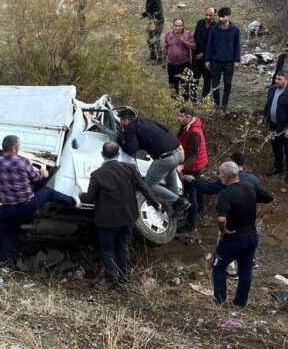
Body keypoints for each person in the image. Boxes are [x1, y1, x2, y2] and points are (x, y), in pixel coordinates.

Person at [82, 142, 161, 289]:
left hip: (107, 221)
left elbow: (88, 198)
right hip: (128, 217)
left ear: (102, 154)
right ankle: (124, 280)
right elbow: (144, 188)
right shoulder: (130, 168)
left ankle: (110, 279)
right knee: (123, 247)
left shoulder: (97, 175)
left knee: (108, 249)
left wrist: (80, 194)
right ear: (118, 155)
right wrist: (156, 203)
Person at [0, 135, 77, 269]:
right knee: (48, 192)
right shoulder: (23, 162)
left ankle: (4, 263)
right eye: (18, 147)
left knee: (7, 234)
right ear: (14, 148)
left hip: (7, 209)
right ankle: (73, 201)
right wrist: (43, 172)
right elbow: (36, 178)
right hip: (26, 206)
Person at [212, 161, 274, 307]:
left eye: (220, 173)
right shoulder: (250, 186)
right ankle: (240, 303)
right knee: (245, 269)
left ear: (226, 176)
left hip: (233, 238)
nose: (219, 175)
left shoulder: (225, 194)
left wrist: (223, 231)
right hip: (251, 235)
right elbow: (270, 199)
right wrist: (259, 216)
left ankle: (220, 300)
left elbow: (221, 218)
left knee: (219, 266)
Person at [117, 109, 190, 218]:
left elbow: (132, 148)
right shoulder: (145, 121)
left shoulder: (130, 128)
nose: (120, 124)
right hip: (179, 151)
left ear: (126, 120)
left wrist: (120, 140)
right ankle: (176, 206)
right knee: (170, 178)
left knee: (149, 185)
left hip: (166, 157)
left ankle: (180, 202)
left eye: (121, 121)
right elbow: (165, 129)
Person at [176, 108, 208, 233]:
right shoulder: (187, 126)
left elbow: (194, 155)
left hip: (193, 166)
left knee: (191, 193)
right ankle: (200, 207)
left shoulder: (193, 132)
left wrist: (182, 166)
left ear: (189, 117)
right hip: (198, 164)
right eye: (178, 115)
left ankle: (191, 225)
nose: (179, 118)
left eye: (182, 116)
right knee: (197, 187)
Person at [205, 7, 241, 111]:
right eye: (220, 17)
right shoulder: (214, 29)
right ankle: (216, 105)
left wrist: (236, 60)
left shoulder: (235, 30)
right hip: (215, 61)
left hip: (229, 62)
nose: (221, 19)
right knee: (215, 84)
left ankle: (224, 105)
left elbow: (237, 46)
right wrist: (207, 59)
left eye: (223, 17)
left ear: (228, 16)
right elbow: (209, 45)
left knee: (228, 84)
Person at [259, 70, 288, 179]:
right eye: (276, 78)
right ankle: (278, 166)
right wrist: (263, 117)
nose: (276, 81)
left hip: (285, 127)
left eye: (279, 79)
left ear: (286, 80)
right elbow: (268, 104)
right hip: (273, 124)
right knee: (276, 147)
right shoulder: (272, 89)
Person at [163, 18, 195, 100]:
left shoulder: (188, 34)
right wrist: (164, 61)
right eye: (176, 26)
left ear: (183, 26)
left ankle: (185, 105)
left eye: (179, 26)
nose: (177, 28)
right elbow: (166, 47)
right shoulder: (168, 35)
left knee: (185, 85)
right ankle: (175, 104)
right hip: (172, 65)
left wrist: (184, 41)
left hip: (184, 64)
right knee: (173, 85)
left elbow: (193, 47)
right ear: (173, 26)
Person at [192, 7, 216, 100]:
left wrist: (204, 54)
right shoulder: (200, 23)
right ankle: (193, 100)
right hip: (196, 57)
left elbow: (215, 45)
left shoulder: (216, 27)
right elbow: (195, 37)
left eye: (210, 15)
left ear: (214, 15)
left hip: (208, 59)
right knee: (194, 79)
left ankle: (204, 101)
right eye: (206, 14)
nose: (208, 17)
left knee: (207, 81)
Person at [141, 0, 164, 64]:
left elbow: (158, 11)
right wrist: (144, 15)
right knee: (149, 39)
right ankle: (153, 56)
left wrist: (155, 23)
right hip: (152, 22)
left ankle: (159, 59)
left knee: (155, 40)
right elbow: (151, 10)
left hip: (156, 23)